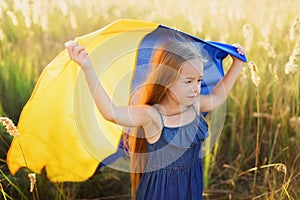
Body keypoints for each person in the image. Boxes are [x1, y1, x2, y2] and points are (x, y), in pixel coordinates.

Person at [65, 40, 245, 200]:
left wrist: (237, 63)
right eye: (188, 81)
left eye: (198, 80)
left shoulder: (195, 105)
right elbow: (111, 113)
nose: (196, 88)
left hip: (191, 186)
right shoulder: (152, 116)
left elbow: (217, 98)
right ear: (166, 80)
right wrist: (87, 67)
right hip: (161, 192)